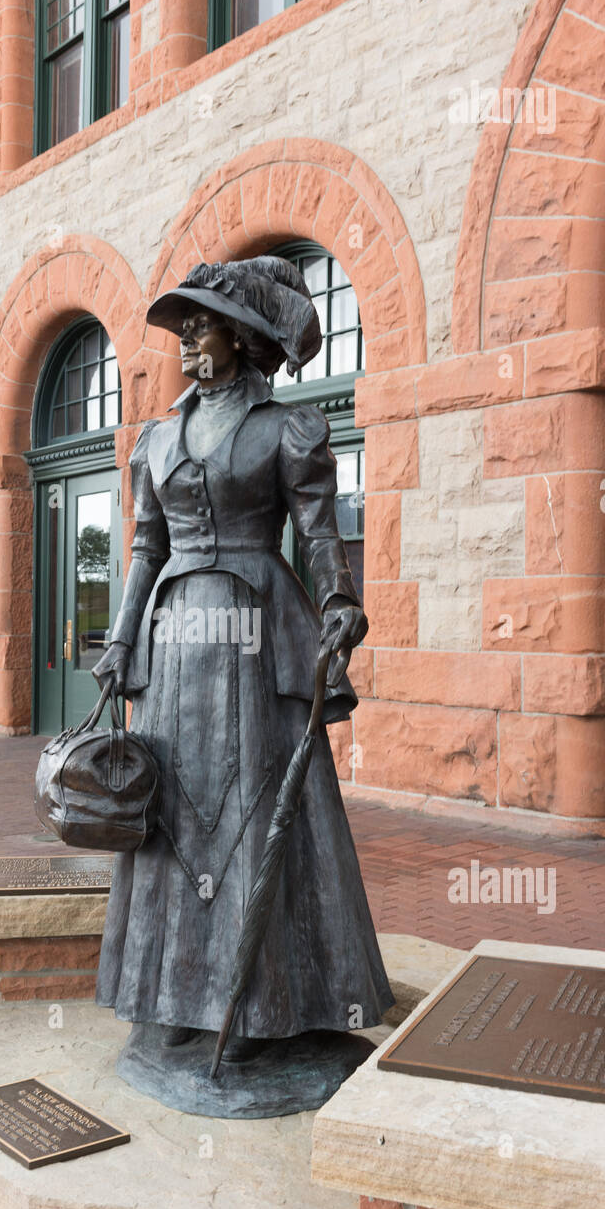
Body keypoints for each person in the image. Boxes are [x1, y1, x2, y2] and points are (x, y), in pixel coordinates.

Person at [92, 256, 393, 1062]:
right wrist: (121, 639)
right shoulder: (156, 438)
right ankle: (174, 996)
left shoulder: (284, 429)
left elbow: (319, 533)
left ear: (242, 337)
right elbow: (146, 547)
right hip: (175, 646)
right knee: (177, 817)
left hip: (259, 640)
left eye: (201, 323)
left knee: (260, 814)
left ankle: (267, 1006)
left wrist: (339, 603)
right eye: (183, 325)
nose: (186, 337)